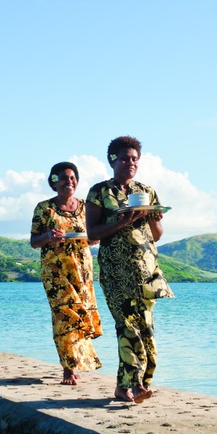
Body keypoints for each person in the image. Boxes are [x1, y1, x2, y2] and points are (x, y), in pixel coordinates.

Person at [86, 136, 174, 404]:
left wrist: (153, 219)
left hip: (146, 271)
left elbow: (156, 235)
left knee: (145, 329)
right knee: (127, 328)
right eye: (125, 158)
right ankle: (134, 386)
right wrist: (124, 221)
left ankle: (129, 386)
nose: (131, 163)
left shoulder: (147, 192)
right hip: (115, 271)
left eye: (135, 158)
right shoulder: (99, 192)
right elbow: (93, 234)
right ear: (112, 160)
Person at [30, 161, 102, 385]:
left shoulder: (85, 207)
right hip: (56, 273)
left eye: (72, 178)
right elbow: (34, 241)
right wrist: (48, 236)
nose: (68, 182)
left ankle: (76, 362)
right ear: (54, 182)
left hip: (82, 271)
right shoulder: (44, 208)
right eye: (63, 178)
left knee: (80, 315)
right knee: (64, 317)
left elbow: (94, 237)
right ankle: (68, 369)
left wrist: (92, 238)